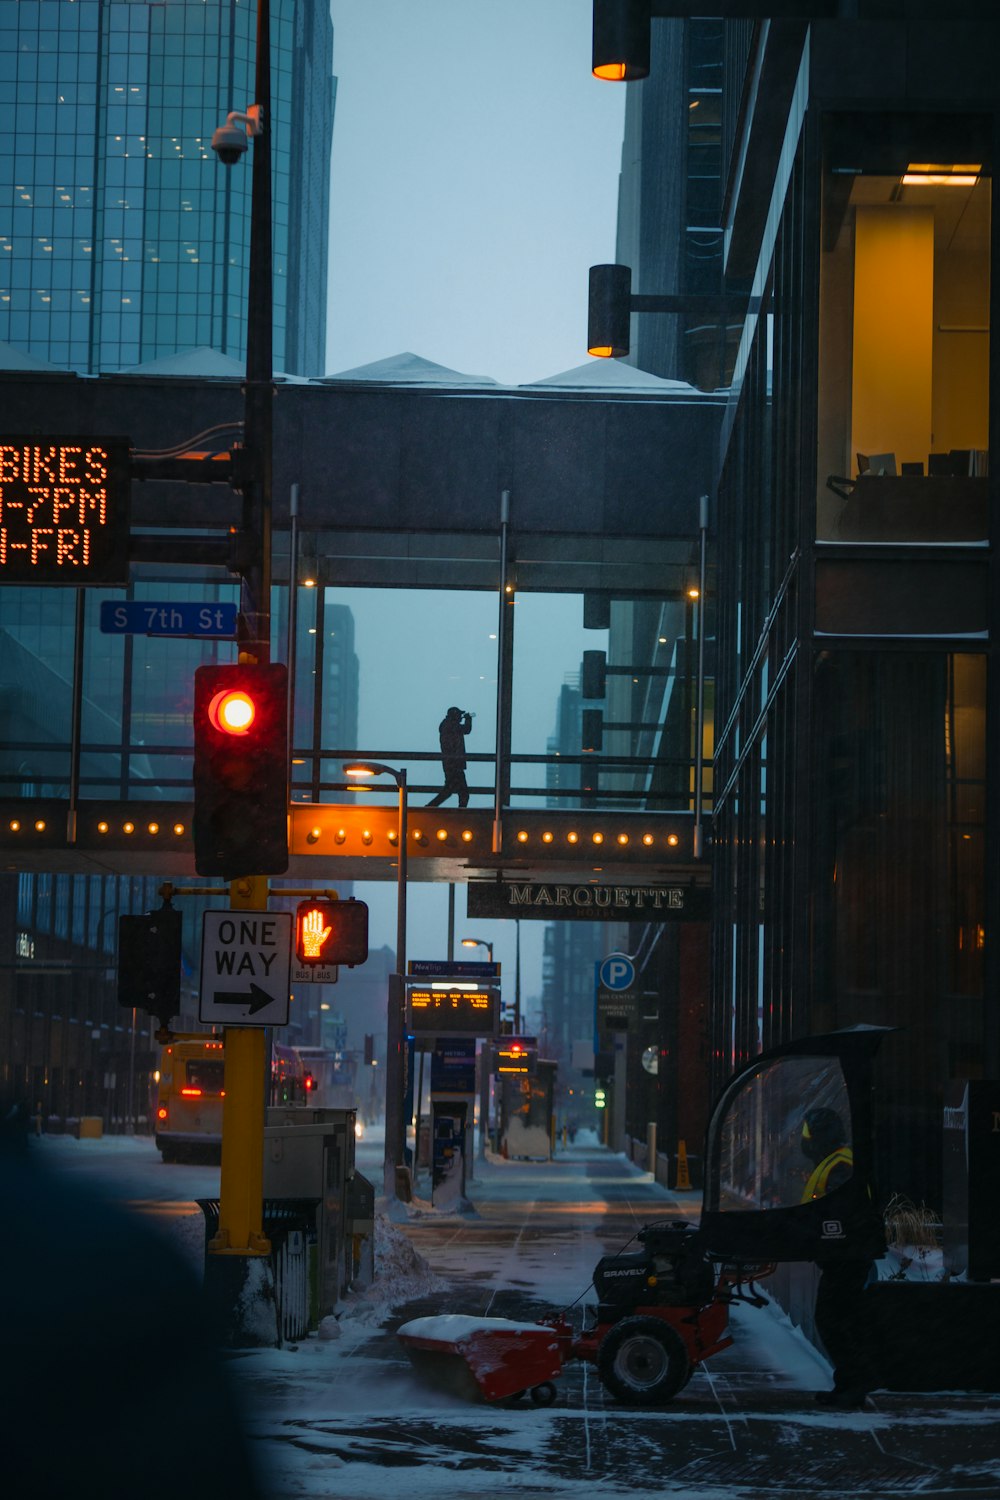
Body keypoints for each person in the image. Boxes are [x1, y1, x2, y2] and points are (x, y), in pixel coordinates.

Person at [800, 1106, 876, 1409]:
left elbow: (837, 1214)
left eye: (808, 1135)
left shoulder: (840, 1166)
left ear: (820, 1137)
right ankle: (847, 1383)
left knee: (834, 1320)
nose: (804, 1143)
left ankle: (855, 1384)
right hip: (842, 1258)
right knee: (838, 1320)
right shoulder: (834, 1162)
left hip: (847, 1259)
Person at [426, 706, 473, 807]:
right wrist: (468, 719)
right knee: (463, 793)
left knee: (449, 791)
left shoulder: (447, 726)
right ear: (455, 716)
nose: (461, 717)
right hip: (455, 765)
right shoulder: (452, 726)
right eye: (459, 715)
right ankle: (460, 816)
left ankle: (430, 808)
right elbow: (466, 729)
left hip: (450, 764)